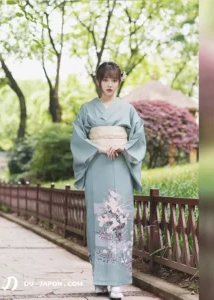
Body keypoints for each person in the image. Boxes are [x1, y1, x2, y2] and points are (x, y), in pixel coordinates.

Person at [70, 62, 146, 299]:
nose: (110, 84)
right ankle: (100, 279)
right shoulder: (86, 109)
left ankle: (117, 282)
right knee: (98, 220)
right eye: (105, 80)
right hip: (97, 166)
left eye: (114, 80)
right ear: (98, 81)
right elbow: (78, 139)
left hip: (121, 167)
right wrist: (100, 148)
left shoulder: (128, 110)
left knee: (119, 219)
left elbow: (138, 138)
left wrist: (122, 146)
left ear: (119, 81)